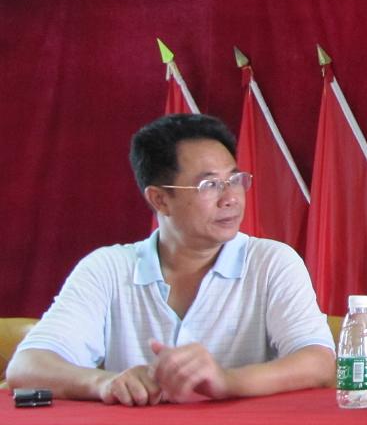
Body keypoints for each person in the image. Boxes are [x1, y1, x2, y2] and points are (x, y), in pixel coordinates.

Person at [7, 114, 335, 405]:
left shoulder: (271, 262)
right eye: (210, 184)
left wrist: (227, 381)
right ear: (160, 200)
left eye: (235, 180)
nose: (231, 198)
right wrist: (104, 383)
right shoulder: (107, 268)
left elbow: (319, 361)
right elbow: (26, 366)